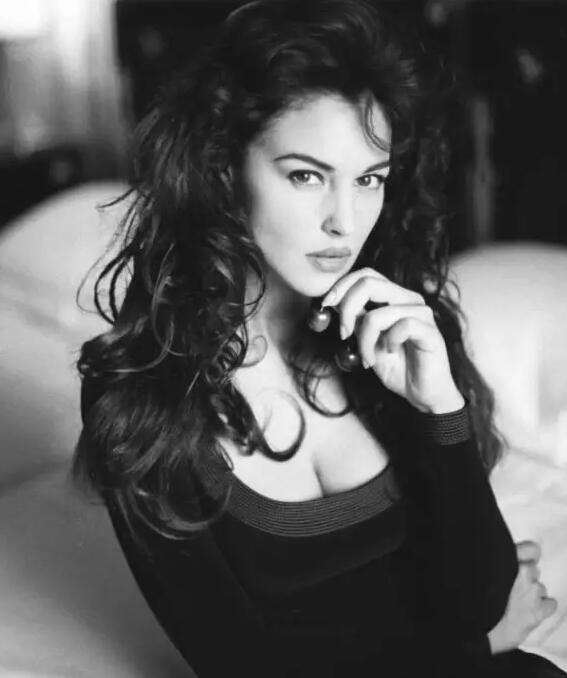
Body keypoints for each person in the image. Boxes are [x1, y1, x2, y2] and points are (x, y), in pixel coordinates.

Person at [73, 1, 564, 676]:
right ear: (223, 168)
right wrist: (474, 648)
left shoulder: (397, 329)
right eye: (306, 175)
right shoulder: (140, 392)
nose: (344, 220)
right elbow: (240, 666)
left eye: (368, 179)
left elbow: (480, 595)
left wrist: (440, 409)